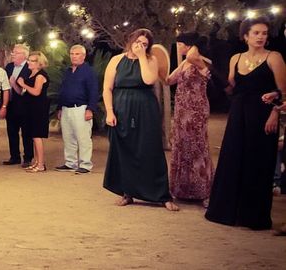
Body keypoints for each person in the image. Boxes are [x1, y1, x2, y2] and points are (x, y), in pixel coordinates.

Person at [206, 18, 286, 230]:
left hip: (263, 115)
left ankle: (254, 217)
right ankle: (228, 213)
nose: (261, 36)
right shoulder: (236, 58)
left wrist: (275, 112)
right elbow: (231, 89)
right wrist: (210, 73)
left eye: (264, 33)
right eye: (257, 32)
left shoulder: (274, 57)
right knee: (233, 159)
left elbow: (284, 92)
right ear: (245, 36)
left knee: (257, 163)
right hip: (238, 114)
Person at [102, 29, 178, 211]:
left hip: (145, 109)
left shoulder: (151, 59)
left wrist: (142, 56)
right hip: (121, 109)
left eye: (145, 44)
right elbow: (107, 88)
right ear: (131, 40)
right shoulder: (116, 60)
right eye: (138, 42)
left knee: (150, 149)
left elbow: (149, 79)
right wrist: (110, 112)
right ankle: (127, 192)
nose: (140, 46)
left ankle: (162, 195)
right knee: (124, 150)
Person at [167, 32, 213, 206]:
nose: (178, 47)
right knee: (182, 147)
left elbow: (195, 58)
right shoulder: (185, 62)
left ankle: (204, 191)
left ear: (189, 45)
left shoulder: (202, 61)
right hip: (181, 110)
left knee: (197, 148)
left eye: (180, 44)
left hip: (196, 110)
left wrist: (194, 47)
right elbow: (169, 80)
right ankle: (183, 190)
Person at [55, 45, 98, 174]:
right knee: (68, 138)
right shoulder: (68, 71)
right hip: (66, 109)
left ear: (83, 56)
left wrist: (90, 109)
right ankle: (70, 163)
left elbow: (93, 91)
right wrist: (59, 108)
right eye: (72, 53)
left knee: (83, 138)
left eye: (77, 54)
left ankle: (85, 164)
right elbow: (62, 90)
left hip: (81, 108)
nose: (74, 56)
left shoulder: (89, 72)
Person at [18, 51, 50, 173]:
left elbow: (36, 92)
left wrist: (23, 84)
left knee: (37, 136)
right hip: (30, 108)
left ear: (39, 63)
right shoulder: (32, 74)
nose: (29, 63)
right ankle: (37, 162)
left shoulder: (40, 76)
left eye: (32, 61)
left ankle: (41, 164)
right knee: (33, 136)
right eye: (29, 60)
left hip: (38, 109)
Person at [4, 44, 34, 167]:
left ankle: (28, 157)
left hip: (25, 105)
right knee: (11, 131)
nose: (13, 54)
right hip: (10, 104)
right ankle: (14, 156)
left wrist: (14, 83)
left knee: (26, 133)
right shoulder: (9, 67)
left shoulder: (30, 68)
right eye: (13, 52)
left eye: (16, 53)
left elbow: (24, 90)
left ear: (24, 55)